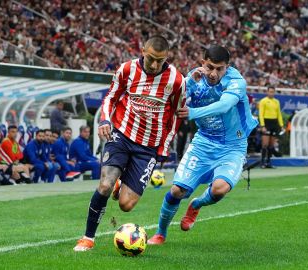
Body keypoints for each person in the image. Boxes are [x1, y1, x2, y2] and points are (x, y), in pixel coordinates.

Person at [74, 35, 185, 252]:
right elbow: (110, 98)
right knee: (104, 185)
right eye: (151, 58)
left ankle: (120, 181)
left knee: (126, 205)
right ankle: (88, 238)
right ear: (143, 51)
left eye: (160, 61)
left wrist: (163, 148)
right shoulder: (126, 70)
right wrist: (105, 119)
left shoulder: (176, 80)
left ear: (167, 58)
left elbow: (176, 116)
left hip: (148, 148)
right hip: (122, 136)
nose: (154, 65)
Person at [147, 45, 258, 245]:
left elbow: (224, 106)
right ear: (202, 62)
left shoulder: (236, 81)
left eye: (220, 68)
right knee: (176, 191)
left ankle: (197, 204)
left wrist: (192, 113)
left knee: (219, 189)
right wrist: (189, 82)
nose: (214, 73)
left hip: (233, 146)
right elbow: (172, 97)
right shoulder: (194, 78)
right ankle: (160, 233)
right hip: (204, 142)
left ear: (227, 67)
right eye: (210, 67)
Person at [258, 86, 283, 168]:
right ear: (267, 92)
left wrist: (281, 125)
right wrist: (262, 125)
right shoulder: (263, 101)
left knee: (271, 145)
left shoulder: (277, 102)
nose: (271, 93)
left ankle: (268, 163)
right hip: (266, 123)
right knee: (265, 144)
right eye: (270, 91)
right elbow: (261, 114)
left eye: (273, 92)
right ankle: (262, 163)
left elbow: (279, 114)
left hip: (274, 123)